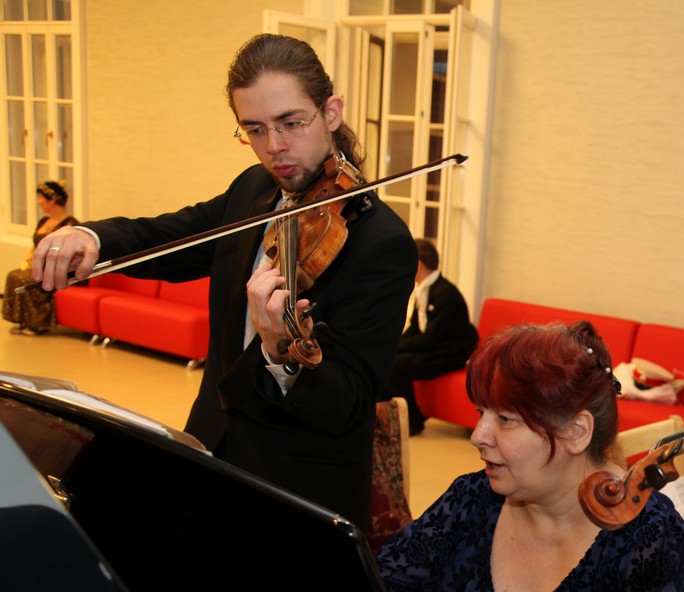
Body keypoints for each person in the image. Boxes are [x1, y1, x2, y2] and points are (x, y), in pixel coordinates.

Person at [31, 34, 416, 530]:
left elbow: (349, 403)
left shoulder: (381, 243)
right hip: (210, 448)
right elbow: (171, 236)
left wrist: (283, 350)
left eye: (291, 123)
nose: (274, 147)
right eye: (254, 129)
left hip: (297, 493)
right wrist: (90, 236)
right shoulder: (254, 189)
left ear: (331, 112)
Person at [377, 321, 684, 592]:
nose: (478, 436)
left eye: (506, 419)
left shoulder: (651, 541)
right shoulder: (470, 500)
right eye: (480, 413)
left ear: (576, 432)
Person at [382, 238, 478, 435]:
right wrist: (391, 344)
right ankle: (391, 415)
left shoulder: (446, 294)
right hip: (435, 348)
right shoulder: (425, 290)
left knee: (397, 365)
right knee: (387, 357)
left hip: (452, 353)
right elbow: (416, 329)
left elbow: (430, 338)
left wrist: (396, 347)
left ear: (418, 264)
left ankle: (413, 420)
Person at [3, 181, 78, 335]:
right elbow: (35, 246)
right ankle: (24, 320)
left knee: (28, 280)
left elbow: (69, 253)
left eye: (41, 198)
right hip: (40, 265)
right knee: (14, 275)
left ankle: (38, 324)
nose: (38, 202)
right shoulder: (44, 221)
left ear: (52, 200)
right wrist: (28, 262)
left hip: (58, 268)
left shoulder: (70, 224)